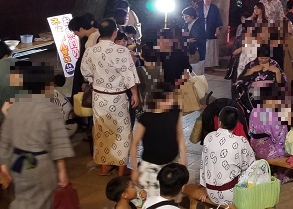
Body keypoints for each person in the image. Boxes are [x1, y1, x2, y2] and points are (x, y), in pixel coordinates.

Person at [0, 63, 74, 209]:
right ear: (46, 85)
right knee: (44, 200)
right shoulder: (49, 108)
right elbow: (59, 144)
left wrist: (4, 167)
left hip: (18, 163)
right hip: (39, 162)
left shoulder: (15, 107)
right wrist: (62, 171)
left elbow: (5, 140)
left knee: (22, 198)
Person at [81, 18, 140, 177]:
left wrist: (95, 80)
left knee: (102, 130)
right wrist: (134, 93)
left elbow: (85, 71)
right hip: (118, 97)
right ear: (115, 33)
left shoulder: (90, 51)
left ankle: (104, 167)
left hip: (99, 97)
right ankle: (121, 168)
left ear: (100, 32)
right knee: (122, 131)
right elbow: (129, 75)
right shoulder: (122, 51)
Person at [130, 83, 186, 200]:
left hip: (171, 165)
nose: (172, 101)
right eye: (169, 98)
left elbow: (180, 136)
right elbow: (134, 144)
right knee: (152, 199)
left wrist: (184, 158)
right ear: (158, 100)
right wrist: (135, 169)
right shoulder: (146, 117)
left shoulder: (174, 112)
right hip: (151, 167)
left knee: (172, 199)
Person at [200, 107, 255, 205]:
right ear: (236, 125)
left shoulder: (208, 137)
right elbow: (251, 167)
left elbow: (203, 165)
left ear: (219, 122)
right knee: (254, 171)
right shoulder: (240, 141)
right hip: (230, 195)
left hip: (210, 192)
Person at [181, 7, 206, 75]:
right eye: (183, 16)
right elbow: (183, 36)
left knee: (197, 74)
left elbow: (196, 38)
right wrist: (187, 40)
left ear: (192, 16)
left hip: (197, 51)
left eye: (186, 16)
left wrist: (187, 40)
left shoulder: (199, 24)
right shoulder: (186, 24)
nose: (184, 18)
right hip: (188, 51)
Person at [201, 0, 224, 69]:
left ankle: (210, 65)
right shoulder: (199, 7)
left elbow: (218, 19)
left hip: (211, 29)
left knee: (211, 48)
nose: (208, 0)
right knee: (204, 47)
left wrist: (217, 30)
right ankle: (203, 65)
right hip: (202, 29)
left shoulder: (214, 8)